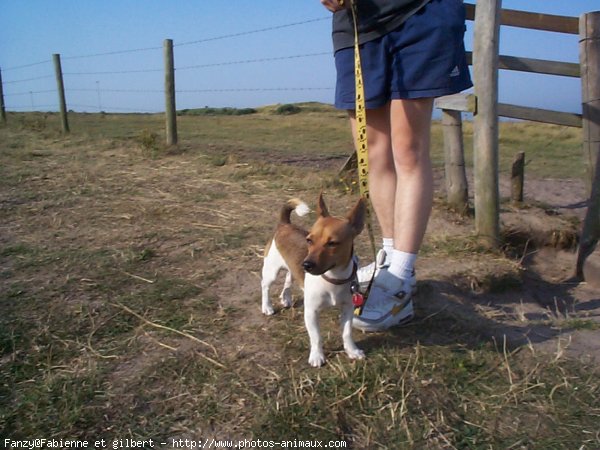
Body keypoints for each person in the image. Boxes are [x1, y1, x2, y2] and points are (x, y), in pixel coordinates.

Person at [319, 0, 472, 331]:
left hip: (420, 13)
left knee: (408, 148)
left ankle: (401, 277)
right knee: (373, 151)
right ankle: (389, 259)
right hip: (357, 23)